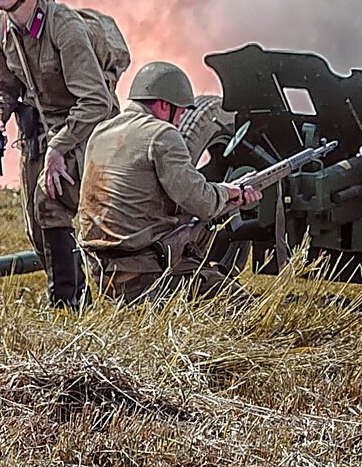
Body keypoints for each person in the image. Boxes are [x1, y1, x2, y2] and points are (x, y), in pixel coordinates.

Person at [0, 0, 115, 309]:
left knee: (51, 202)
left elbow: (97, 101)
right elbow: (1, 85)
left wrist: (60, 147)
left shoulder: (65, 28)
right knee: (35, 226)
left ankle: (66, 303)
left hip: (83, 126)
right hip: (37, 131)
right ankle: (81, 295)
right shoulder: (0, 30)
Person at [77, 61, 262, 304]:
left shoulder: (101, 131)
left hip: (103, 276)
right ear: (165, 105)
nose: (180, 120)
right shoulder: (162, 135)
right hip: (144, 275)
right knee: (244, 307)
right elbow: (202, 202)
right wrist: (229, 193)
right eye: (182, 112)